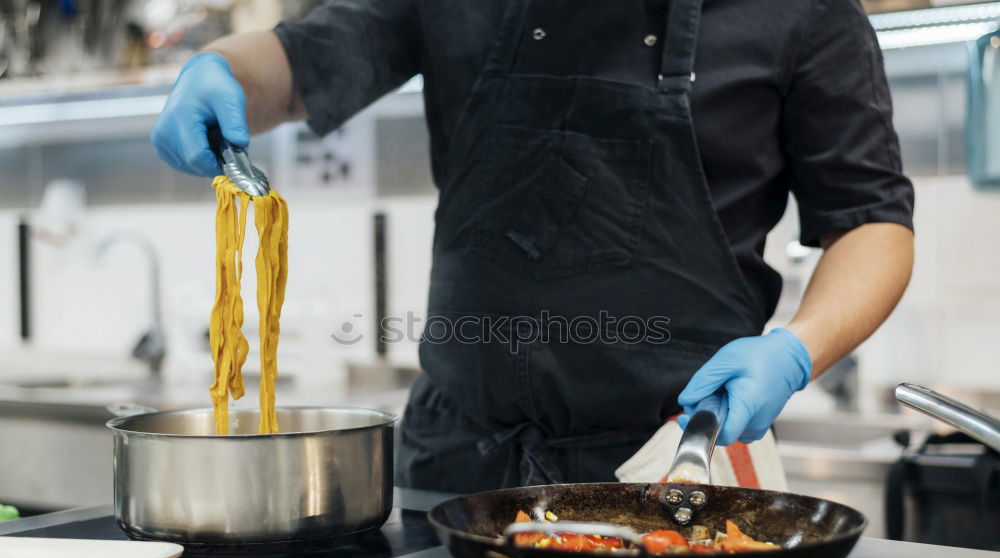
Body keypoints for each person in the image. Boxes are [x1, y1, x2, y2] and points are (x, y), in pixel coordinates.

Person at [152, 0, 915, 493]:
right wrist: (222, 70)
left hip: (670, 465)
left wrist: (795, 349)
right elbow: (298, 65)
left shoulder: (805, 15)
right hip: (455, 474)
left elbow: (872, 222)